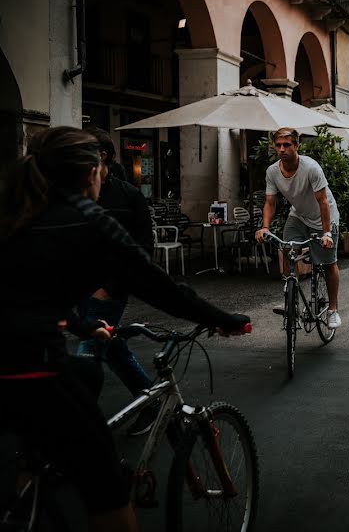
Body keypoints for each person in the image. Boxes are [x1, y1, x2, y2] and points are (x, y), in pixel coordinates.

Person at [0, 126, 251, 532]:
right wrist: (224, 320)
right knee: (108, 487)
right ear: (91, 173)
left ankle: (30, 489)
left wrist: (84, 328)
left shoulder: (18, 211)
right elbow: (157, 285)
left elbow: (30, 295)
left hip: (15, 363)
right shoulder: (88, 219)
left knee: (87, 374)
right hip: (32, 366)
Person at [79, 128, 159, 436]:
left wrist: (111, 286)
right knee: (112, 348)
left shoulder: (129, 195)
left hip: (107, 292)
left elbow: (143, 249)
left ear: (103, 156)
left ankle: (76, 430)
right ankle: (149, 400)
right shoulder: (77, 193)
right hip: (80, 288)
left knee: (87, 357)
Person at [255, 127, 342, 329]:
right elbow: (270, 202)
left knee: (329, 264)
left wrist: (327, 233)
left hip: (324, 218)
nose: (282, 149)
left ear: (296, 146)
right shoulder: (272, 171)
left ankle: (332, 310)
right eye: (278, 145)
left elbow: (323, 202)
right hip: (298, 216)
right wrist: (265, 227)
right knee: (287, 248)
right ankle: (290, 297)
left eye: (287, 145)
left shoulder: (311, 168)